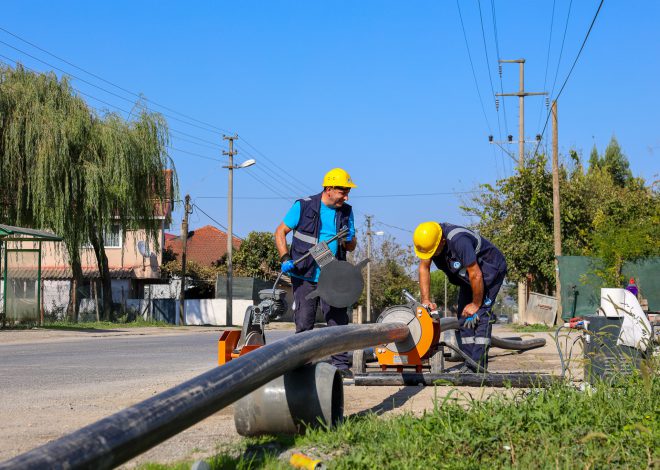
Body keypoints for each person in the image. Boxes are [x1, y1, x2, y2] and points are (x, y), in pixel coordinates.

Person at [274, 168, 357, 377]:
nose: (346, 196)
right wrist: (285, 258)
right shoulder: (303, 206)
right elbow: (280, 232)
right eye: (342, 191)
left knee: (337, 324)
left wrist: (348, 240)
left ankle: (341, 367)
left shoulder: (346, 212)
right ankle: (302, 368)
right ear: (329, 189)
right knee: (304, 322)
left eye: (347, 192)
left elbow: (351, 246)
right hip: (304, 275)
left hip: (333, 277)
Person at [413, 221, 507, 372]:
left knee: (481, 314)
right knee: (463, 317)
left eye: (434, 251)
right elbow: (424, 268)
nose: (432, 256)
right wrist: (425, 300)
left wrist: (476, 304)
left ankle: (478, 367)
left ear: (442, 240)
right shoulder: (430, 241)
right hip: (469, 278)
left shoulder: (459, 241)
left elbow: (476, 274)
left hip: (490, 271)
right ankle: (469, 362)